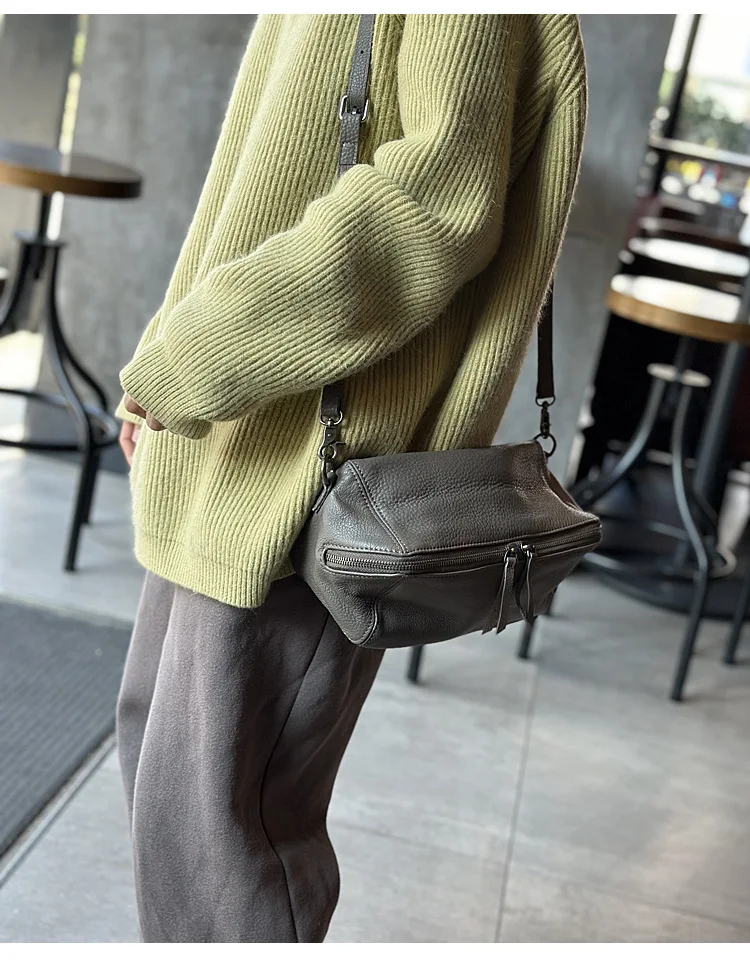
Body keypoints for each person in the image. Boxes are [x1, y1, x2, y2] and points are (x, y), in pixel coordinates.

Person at [115, 13, 586, 943]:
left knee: (226, 848)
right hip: (242, 446)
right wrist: (176, 375)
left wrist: (191, 359)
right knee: (175, 801)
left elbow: (431, 203)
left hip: (312, 484)